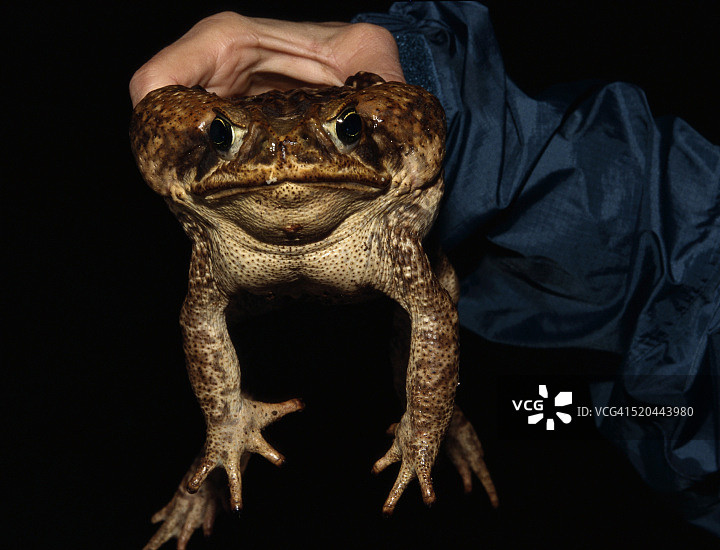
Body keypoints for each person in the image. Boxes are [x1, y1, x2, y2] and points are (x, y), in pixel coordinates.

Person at [130, 2, 720, 537]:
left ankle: (478, 419)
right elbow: (200, 319)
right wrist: (224, 418)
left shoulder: (393, 234)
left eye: (348, 129)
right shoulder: (211, 228)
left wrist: (430, 419)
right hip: (638, 388)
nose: (286, 157)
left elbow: (435, 317)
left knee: (550, 404)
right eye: (226, 137)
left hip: (602, 397)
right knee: (570, 409)